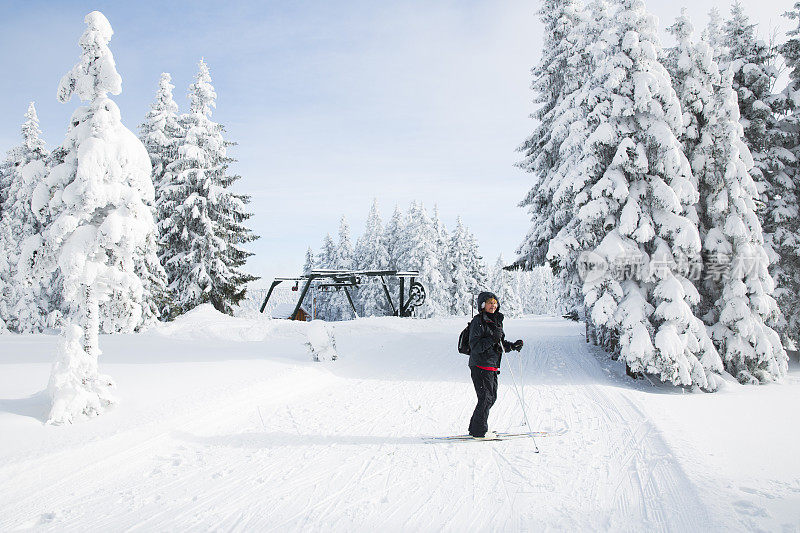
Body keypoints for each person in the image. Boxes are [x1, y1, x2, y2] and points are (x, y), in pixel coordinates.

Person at [467, 291, 523, 439]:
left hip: (492, 365)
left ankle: (475, 428)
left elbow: (499, 343)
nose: (493, 305)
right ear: (483, 305)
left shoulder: (497, 320)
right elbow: (475, 346)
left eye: (494, 303)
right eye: (489, 303)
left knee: (491, 398)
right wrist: (492, 338)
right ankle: (479, 431)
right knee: (485, 398)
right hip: (479, 365)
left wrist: (512, 346)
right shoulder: (477, 322)